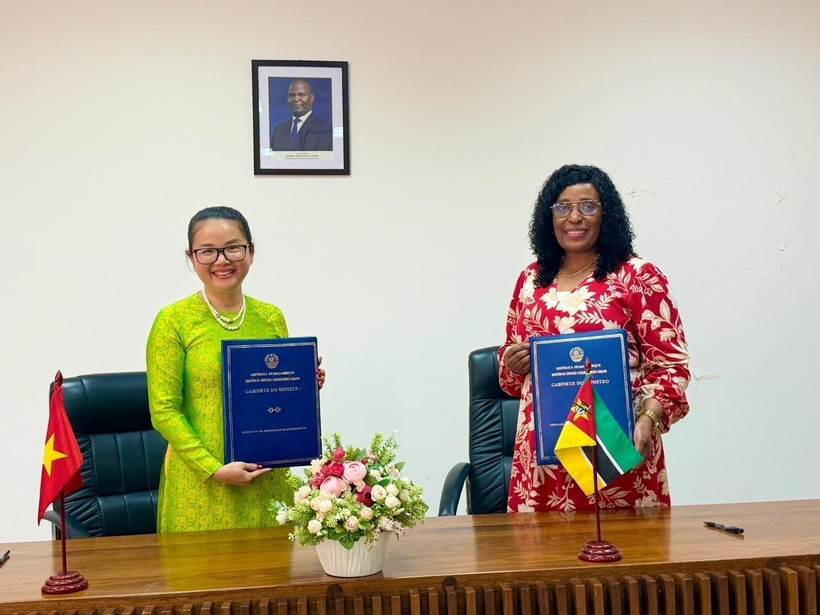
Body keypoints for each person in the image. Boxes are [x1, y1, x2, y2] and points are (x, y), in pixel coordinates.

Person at [499, 164, 690, 512]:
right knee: (540, 546)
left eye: (588, 206)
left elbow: (671, 367)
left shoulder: (637, 276)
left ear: (606, 214)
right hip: (543, 462)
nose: (574, 217)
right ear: (549, 216)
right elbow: (512, 380)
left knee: (626, 546)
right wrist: (513, 363)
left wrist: (648, 419)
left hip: (617, 448)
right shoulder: (530, 280)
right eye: (563, 207)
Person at [146, 206, 326, 533]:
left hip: (266, 475)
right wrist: (213, 468)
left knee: (271, 564)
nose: (221, 260)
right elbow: (163, 411)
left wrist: (304, 385)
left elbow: (276, 396)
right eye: (207, 251)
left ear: (251, 252)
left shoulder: (270, 317)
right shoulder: (173, 321)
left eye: (233, 248)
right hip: (202, 481)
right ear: (191, 257)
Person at [270, 79, 332, 151]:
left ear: (311, 98)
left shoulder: (327, 130)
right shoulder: (278, 130)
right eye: (292, 95)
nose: (296, 99)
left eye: (301, 95)